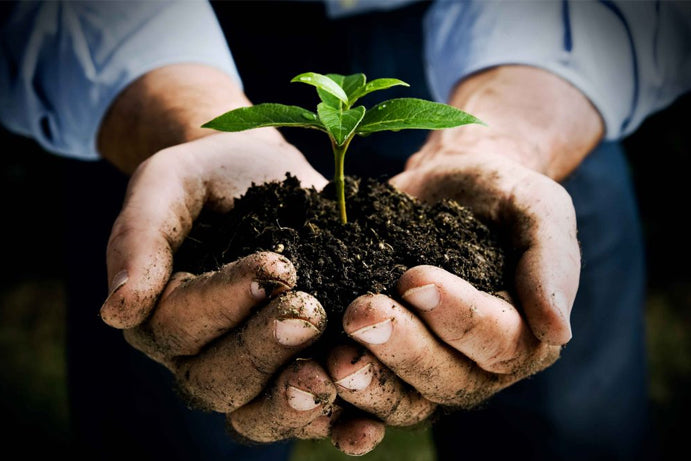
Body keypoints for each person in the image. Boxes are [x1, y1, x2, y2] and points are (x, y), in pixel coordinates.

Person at [2, 0, 689, 459]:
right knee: (167, 420)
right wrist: (178, 122)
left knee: (566, 425)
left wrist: (502, 142)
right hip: (160, 64)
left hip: (525, 69)